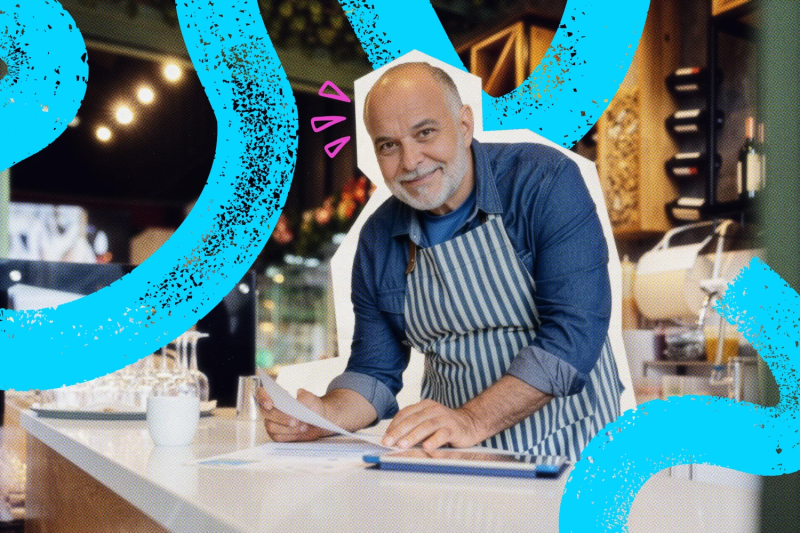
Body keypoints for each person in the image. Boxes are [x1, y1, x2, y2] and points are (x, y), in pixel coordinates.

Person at [258, 61, 623, 460]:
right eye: (388, 145)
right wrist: (325, 415)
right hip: (452, 457)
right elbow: (375, 372)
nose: (411, 161)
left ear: (464, 124)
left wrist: (471, 420)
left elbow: (574, 334)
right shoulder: (378, 239)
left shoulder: (543, 181)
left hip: (573, 449)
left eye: (425, 133)